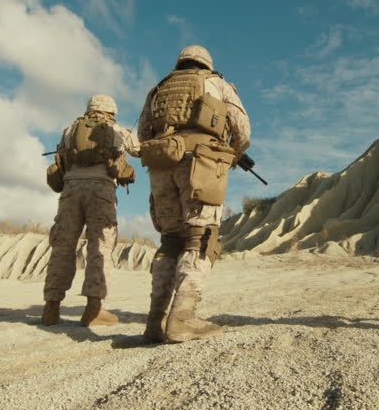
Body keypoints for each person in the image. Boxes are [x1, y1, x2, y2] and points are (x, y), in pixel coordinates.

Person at [138, 45, 250, 343]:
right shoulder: (218, 84)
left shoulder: (158, 89)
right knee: (200, 237)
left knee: (170, 240)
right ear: (206, 64)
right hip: (200, 163)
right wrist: (231, 156)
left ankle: (154, 323)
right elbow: (243, 131)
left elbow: (142, 135)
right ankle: (183, 319)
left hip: (161, 165)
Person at [41, 95, 140, 326]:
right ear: (111, 112)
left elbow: (62, 157)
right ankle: (93, 310)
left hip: (70, 189)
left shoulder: (69, 130)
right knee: (99, 246)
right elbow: (139, 151)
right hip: (101, 189)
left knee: (63, 246)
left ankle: (51, 308)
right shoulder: (117, 129)